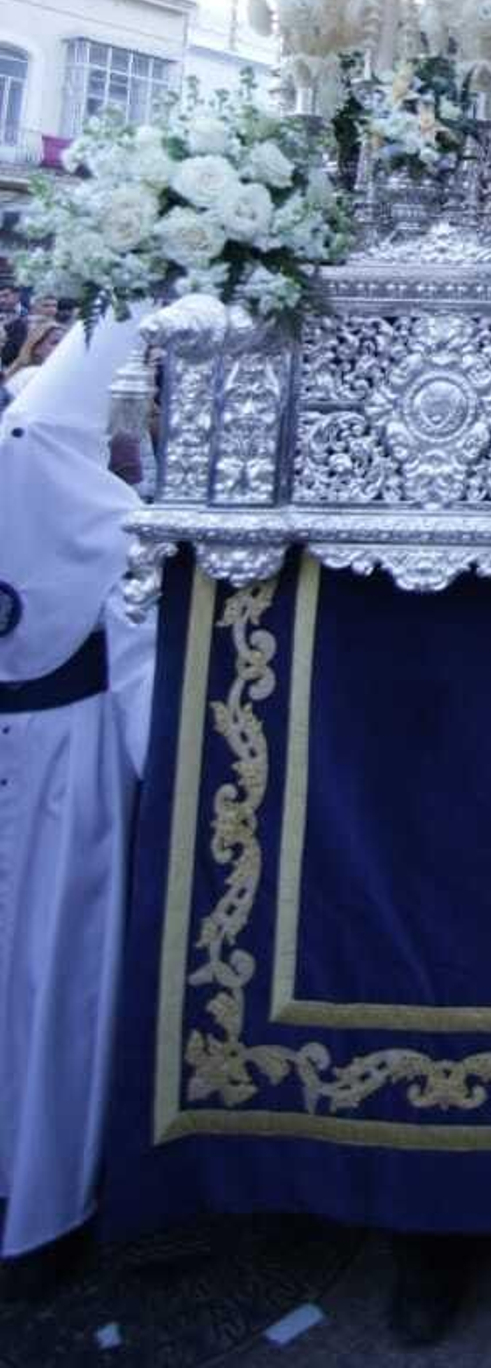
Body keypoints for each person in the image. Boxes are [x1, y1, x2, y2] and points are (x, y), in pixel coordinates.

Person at [0, 308, 157, 1299]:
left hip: (49, 752)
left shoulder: (35, 451)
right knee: (52, 986)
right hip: (67, 767)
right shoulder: (68, 489)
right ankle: (45, 1206)